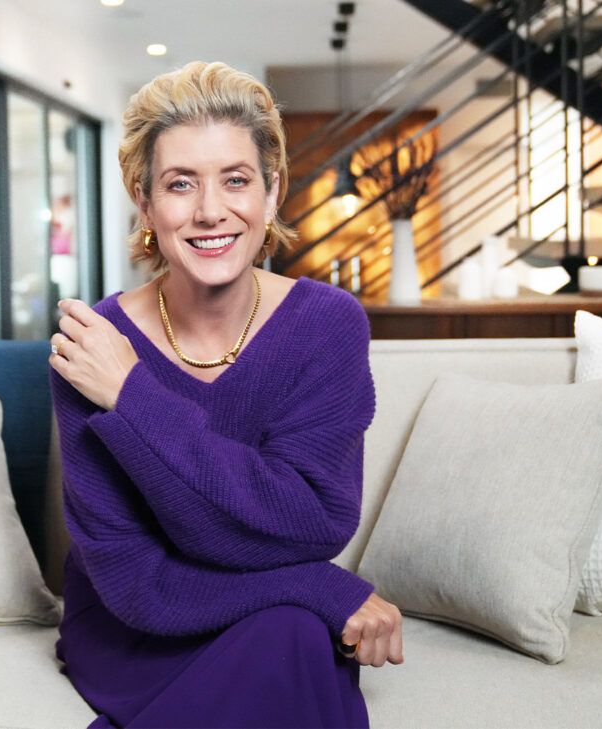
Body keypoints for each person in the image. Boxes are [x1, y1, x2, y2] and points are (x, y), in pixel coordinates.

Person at [47, 61, 404, 728]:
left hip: (263, 613)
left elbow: (314, 518)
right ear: (145, 201)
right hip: (133, 625)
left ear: (272, 191)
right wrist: (316, 583)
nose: (211, 211)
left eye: (236, 180)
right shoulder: (93, 345)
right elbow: (133, 579)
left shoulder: (327, 325)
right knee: (297, 636)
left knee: (293, 636)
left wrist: (134, 400)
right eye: (180, 184)